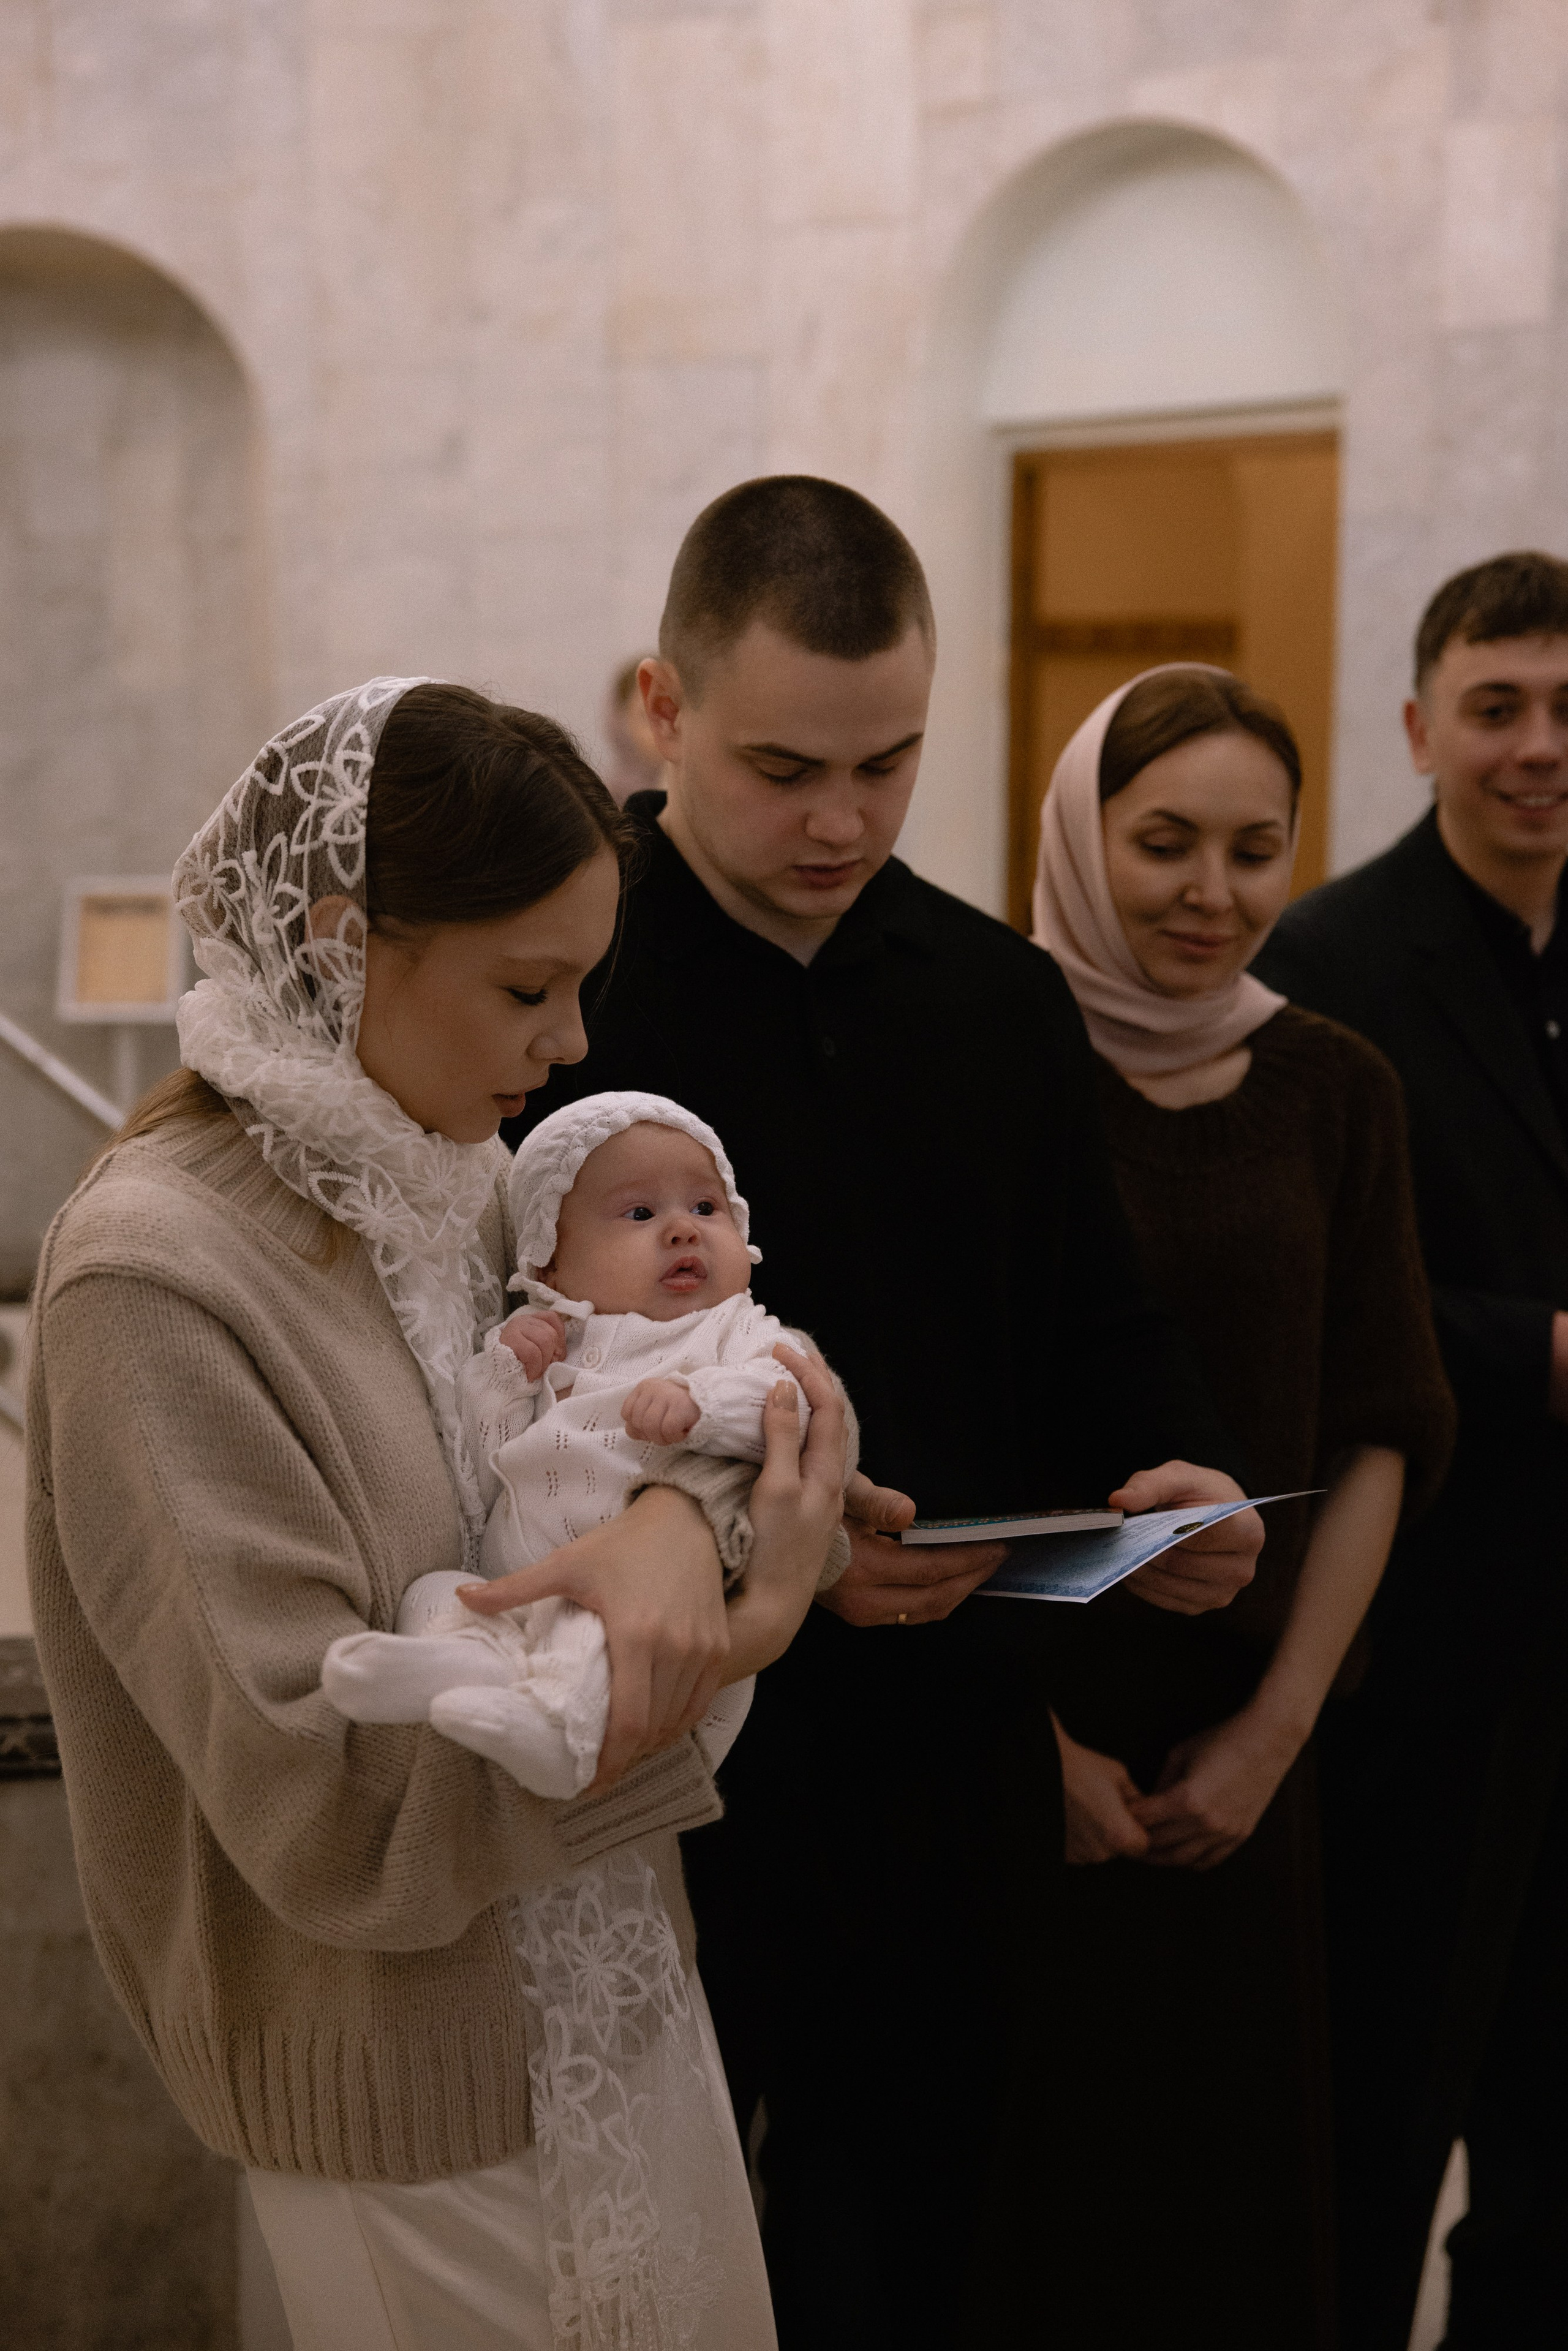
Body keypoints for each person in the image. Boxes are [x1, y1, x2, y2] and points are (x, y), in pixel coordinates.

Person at [502, 475, 1267, 2348]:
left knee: (917, 2248)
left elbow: (1088, 1314)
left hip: (944, 1764)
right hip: (652, 1761)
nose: (841, 820)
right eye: (782, 767)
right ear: (661, 709)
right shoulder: (552, 980)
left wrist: (1169, 1470)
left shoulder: (995, 997)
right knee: (638, 2266)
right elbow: (474, 1381)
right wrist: (773, 1540)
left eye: (890, 763)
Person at [26, 677, 850, 2351]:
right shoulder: (156, 1277)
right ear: (344, 941)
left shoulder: (455, 1174)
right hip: (409, 2078)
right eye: (529, 987)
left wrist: (706, 1522)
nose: (572, 1045)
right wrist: (731, 1639)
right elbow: (325, 1804)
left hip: (615, 1999)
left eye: (582, 983)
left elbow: (631, 1408)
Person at [1022, 666, 1453, 2351]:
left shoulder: (1340, 1082)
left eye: (1255, 848)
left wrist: (1275, 1734)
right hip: (1018, 1730)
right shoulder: (991, 1049)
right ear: (1080, 834)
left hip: (1246, 1749)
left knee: (1232, 2222)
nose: (1214, 891)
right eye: (1165, 842)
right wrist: (1026, 1737)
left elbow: (1386, 1424)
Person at [1257, 551, 1568, 2351]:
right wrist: (1528, 1350)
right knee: (1387, 2107)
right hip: (1432, 1647)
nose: (1537, 746)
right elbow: (1319, 1291)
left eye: (1560, 706)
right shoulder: (1330, 956)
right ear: (1417, 728)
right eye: (1498, 706)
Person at [323, 1089, 857, 1800]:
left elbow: (788, 1401)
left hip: (663, 1624)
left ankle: (561, 1736)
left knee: (593, 1632)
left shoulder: (740, 1332)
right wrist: (504, 1377)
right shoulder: (554, 1343)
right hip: (526, 1592)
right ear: (547, 1266)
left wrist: (701, 1405)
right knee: (437, 1591)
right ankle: (466, 1667)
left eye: (706, 1207)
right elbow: (486, 1466)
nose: (682, 1231)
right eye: (641, 1213)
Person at [603, 652, 663, 802]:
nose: (663, 729)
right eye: (646, 717)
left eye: (670, 714)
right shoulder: (602, 801)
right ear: (620, 724)